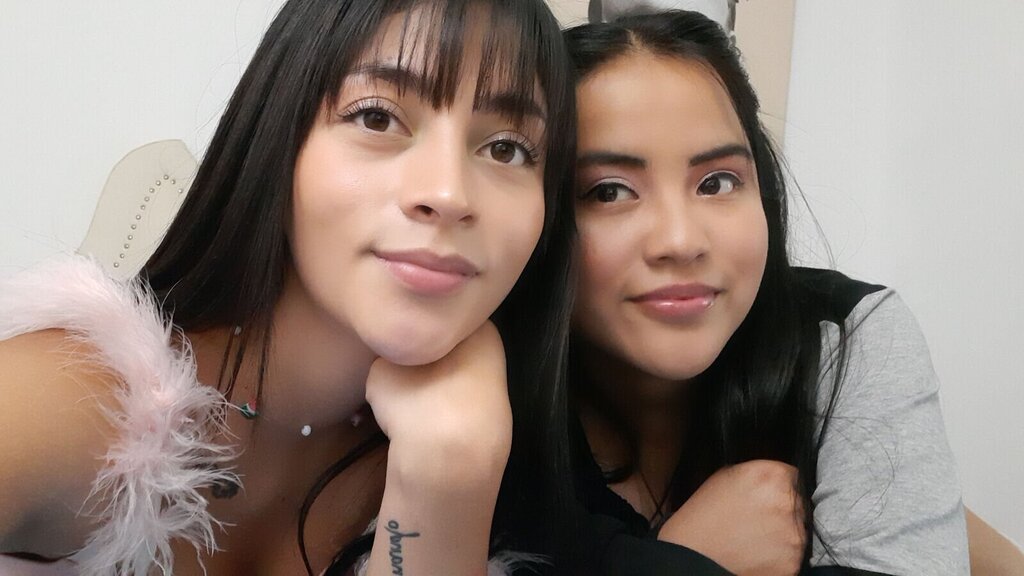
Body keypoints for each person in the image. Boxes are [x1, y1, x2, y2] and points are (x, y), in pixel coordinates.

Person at [0, 0, 577, 574]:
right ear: (279, 137)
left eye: (506, 149)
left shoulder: (511, 472)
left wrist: (447, 478)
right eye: (377, 118)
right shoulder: (75, 394)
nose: (448, 194)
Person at [563, 10, 969, 575]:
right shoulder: (483, 397)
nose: (681, 241)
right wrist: (679, 561)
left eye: (717, 182)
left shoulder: (846, 337)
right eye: (609, 192)